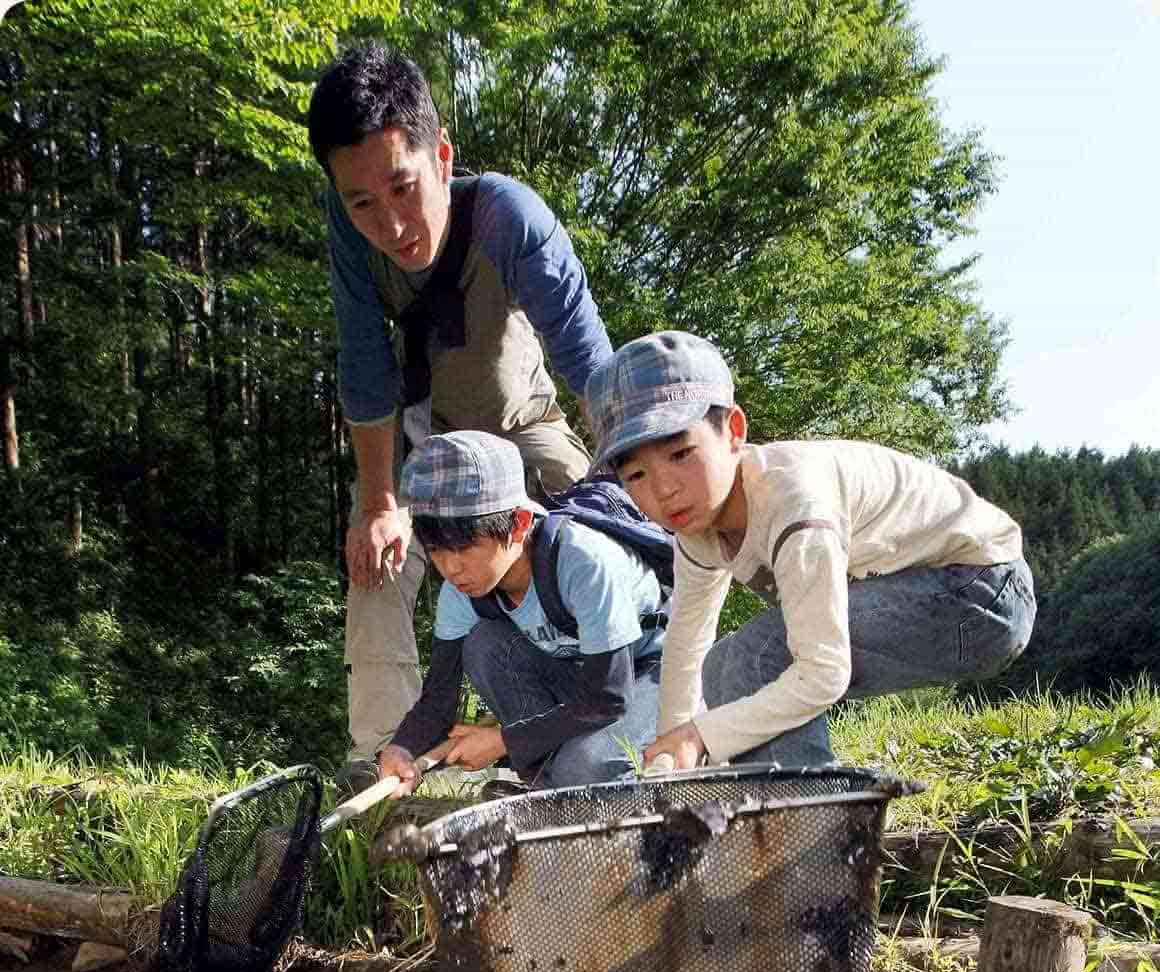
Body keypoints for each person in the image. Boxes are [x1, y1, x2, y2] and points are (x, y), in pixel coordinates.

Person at [307, 44, 613, 791]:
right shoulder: (350, 230)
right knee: (373, 558)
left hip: (520, 423)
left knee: (608, 532)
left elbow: (590, 364)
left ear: (441, 157)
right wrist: (380, 504)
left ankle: (616, 727)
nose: (392, 223)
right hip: (425, 441)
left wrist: (631, 478)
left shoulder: (511, 218)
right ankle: (386, 762)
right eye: (363, 203)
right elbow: (365, 367)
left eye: (404, 188)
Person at [583, 331, 1037, 771]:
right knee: (720, 666)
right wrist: (670, 756)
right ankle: (770, 818)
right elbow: (687, 641)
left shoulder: (795, 500)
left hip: (983, 593)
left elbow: (823, 672)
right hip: (930, 595)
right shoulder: (698, 528)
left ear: (734, 431)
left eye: (681, 453)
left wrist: (699, 736)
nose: (664, 490)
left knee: (756, 657)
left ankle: (814, 832)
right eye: (636, 476)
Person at [376, 431, 666, 794]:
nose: (451, 568)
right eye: (436, 549)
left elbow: (609, 695)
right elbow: (439, 699)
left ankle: (572, 786)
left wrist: (503, 741)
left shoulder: (582, 561)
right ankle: (547, 788)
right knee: (484, 644)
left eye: (465, 546)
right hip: (580, 681)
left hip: (649, 677)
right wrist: (403, 748)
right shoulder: (460, 591)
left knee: (584, 766)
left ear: (519, 525)